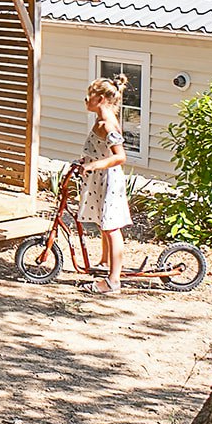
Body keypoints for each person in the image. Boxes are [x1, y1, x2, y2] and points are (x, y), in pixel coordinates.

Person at [77, 73, 132, 295]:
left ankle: (113, 281)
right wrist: (86, 161)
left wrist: (94, 165)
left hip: (109, 180)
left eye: (88, 96)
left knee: (111, 227)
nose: (86, 100)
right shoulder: (99, 121)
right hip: (100, 180)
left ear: (99, 99)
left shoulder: (108, 124)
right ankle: (103, 262)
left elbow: (120, 156)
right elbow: (97, 148)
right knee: (104, 223)